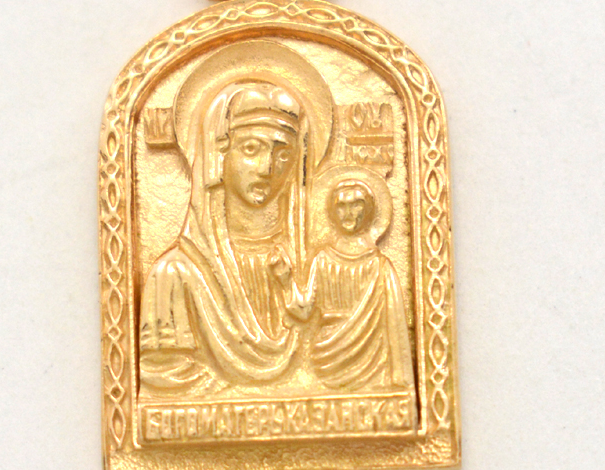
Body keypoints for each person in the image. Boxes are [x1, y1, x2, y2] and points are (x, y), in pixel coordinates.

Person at [138, 79, 313, 395]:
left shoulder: (311, 270)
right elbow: (163, 388)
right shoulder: (174, 275)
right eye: (251, 149)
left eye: (283, 154)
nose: (267, 168)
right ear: (219, 154)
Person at [305, 168, 416, 396]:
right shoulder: (321, 260)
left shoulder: (380, 267)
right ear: (331, 212)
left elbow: (394, 325)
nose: (348, 213)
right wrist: (283, 279)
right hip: (326, 359)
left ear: (369, 212)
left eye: (356, 205)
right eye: (341, 206)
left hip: (373, 363)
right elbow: (304, 309)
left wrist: (400, 377)